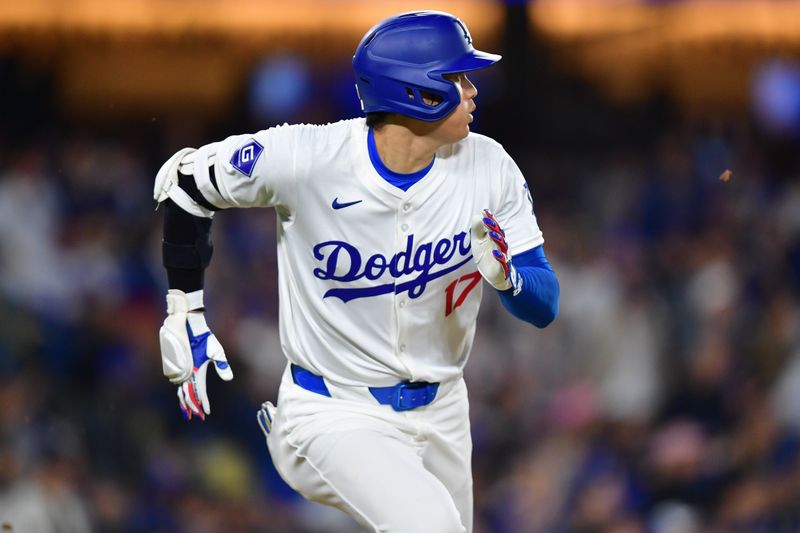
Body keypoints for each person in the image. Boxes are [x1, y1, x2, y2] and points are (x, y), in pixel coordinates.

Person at [153, 10, 559, 533]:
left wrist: (510, 281)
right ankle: (294, 443)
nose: (472, 90)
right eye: (457, 78)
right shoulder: (309, 157)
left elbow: (544, 304)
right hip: (334, 408)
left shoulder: (489, 165)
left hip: (443, 410)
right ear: (418, 92)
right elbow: (183, 185)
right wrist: (185, 308)